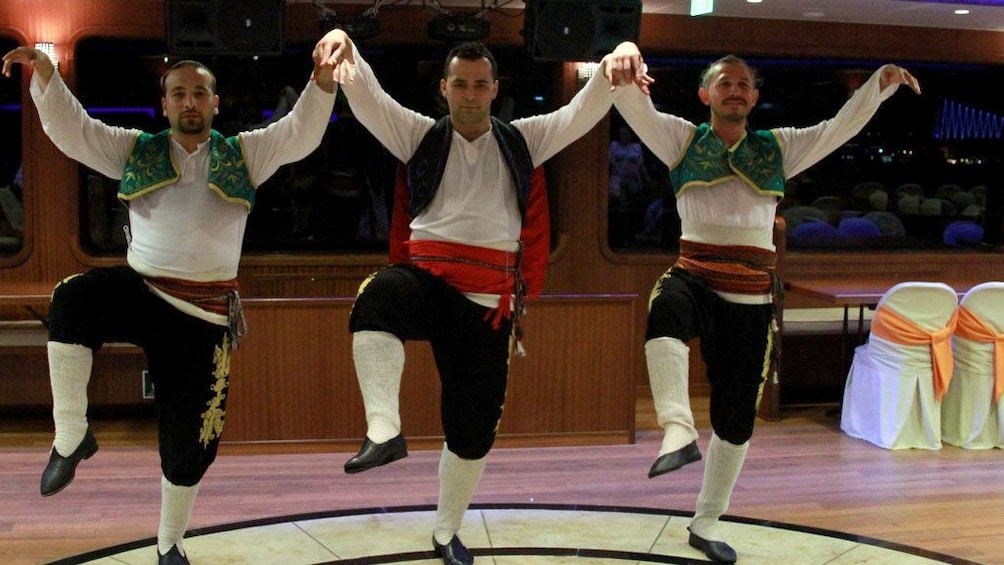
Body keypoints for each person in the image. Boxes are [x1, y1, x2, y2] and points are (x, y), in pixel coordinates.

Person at [2, 36, 339, 565]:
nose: (189, 103)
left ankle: (169, 544)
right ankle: (71, 436)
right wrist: (45, 69)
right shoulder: (136, 149)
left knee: (191, 446)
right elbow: (74, 131)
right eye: (178, 94)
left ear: (214, 103)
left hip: (204, 317)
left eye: (199, 94)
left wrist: (321, 80)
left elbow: (300, 132)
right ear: (164, 104)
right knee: (72, 298)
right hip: (143, 292)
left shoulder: (246, 154)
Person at [314, 29, 641, 565]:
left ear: (495, 90)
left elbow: (585, 109)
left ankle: (445, 533)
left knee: (473, 432)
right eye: (460, 84)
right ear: (443, 89)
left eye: (480, 85)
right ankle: (384, 430)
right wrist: (344, 44)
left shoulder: (523, 140)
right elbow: (368, 96)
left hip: (490, 309)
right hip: (429, 287)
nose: (470, 94)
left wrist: (614, 57)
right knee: (377, 296)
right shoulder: (418, 136)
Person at [607, 44, 920, 564]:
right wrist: (622, 53)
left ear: (753, 97)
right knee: (666, 306)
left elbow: (838, 128)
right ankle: (678, 427)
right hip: (695, 273)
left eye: (743, 84)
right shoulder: (680, 138)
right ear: (707, 94)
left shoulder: (780, 147)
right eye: (724, 83)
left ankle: (706, 522)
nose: (734, 91)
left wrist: (877, 86)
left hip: (751, 296)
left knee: (737, 419)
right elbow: (629, 102)